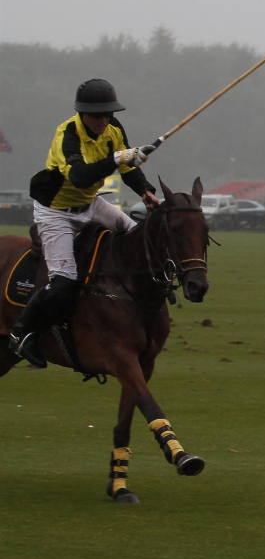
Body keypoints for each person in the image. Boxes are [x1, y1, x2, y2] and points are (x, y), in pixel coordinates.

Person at [9, 78, 160, 368]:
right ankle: (21, 332)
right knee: (64, 280)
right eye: (97, 115)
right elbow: (80, 176)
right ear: (82, 113)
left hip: (91, 204)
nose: (103, 120)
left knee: (139, 240)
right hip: (55, 212)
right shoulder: (67, 134)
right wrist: (117, 158)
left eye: (108, 113)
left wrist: (146, 191)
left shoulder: (113, 128)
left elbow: (128, 168)